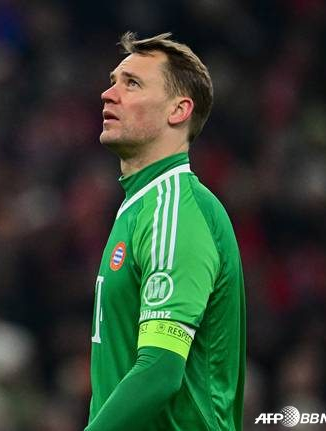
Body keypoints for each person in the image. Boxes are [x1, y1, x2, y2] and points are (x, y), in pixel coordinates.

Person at [85, 32, 245, 431]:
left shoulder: (175, 212)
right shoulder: (141, 206)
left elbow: (160, 370)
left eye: (132, 84)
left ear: (178, 110)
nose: (108, 94)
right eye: (113, 81)